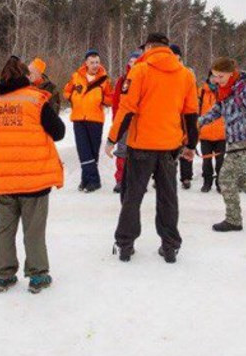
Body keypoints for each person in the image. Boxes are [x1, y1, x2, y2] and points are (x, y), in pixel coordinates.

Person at [106, 33, 198, 263]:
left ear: (148, 47)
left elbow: (127, 108)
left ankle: (125, 245)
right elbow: (190, 114)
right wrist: (191, 144)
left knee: (132, 196)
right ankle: (170, 246)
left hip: (141, 146)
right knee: (168, 197)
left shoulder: (140, 70)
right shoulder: (185, 75)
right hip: (169, 146)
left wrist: (112, 138)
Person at [0, 56, 67, 293]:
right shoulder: (36, 100)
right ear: (25, 76)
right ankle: (38, 275)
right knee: (34, 229)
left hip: (2, 176)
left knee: (5, 227)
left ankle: (3, 275)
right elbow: (58, 132)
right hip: (34, 177)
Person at [197, 57, 246, 231]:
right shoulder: (225, 90)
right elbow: (218, 109)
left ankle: (233, 219)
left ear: (231, 74)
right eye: (215, 76)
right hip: (234, 139)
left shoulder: (245, 90)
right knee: (239, 179)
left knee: (225, 177)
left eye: (220, 76)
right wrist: (201, 121)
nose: (216, 80)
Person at [63, 49, 111, 192]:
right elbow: (66, 92)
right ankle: (94, 181)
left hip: (95, 119)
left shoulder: (105, 79)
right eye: (92, 62)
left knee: (92, 151)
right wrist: (72, 97)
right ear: (86, 63)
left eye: (97, 62)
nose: (95, 65)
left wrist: (102, 99)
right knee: (83, 150)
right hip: (79, 118)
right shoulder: (76, 76)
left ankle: (86, 180)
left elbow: (111, 98)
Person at [110, 50, 142, 193]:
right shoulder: (122, 80)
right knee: (122, 151)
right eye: (131, 62)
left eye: (136, 62)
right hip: (124, 121)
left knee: (139, 153)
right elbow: (115, 101)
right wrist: (116, 120)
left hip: (139, 122)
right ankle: (120, 179)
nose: (133, 64)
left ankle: (137, 180)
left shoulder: (144, 79)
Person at [172, 44, 196, 189]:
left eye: (175, 54)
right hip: (170, 114)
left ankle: (186, 177)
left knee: (186, 144)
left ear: (179, 56)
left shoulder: (187, 73)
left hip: (184, 114)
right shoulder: (164, 71)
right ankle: (163, 176)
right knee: (169, 149)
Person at [197, 74, 227, 193]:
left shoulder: (225, 92)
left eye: (218, 77)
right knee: (206, 161)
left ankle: (220, 183)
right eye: (212, 77)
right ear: (208, 78)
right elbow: (196, 109)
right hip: (205, 133)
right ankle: (207, 182)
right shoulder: (202, 92)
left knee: (220, 161)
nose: (215, 79)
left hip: (221, 133)